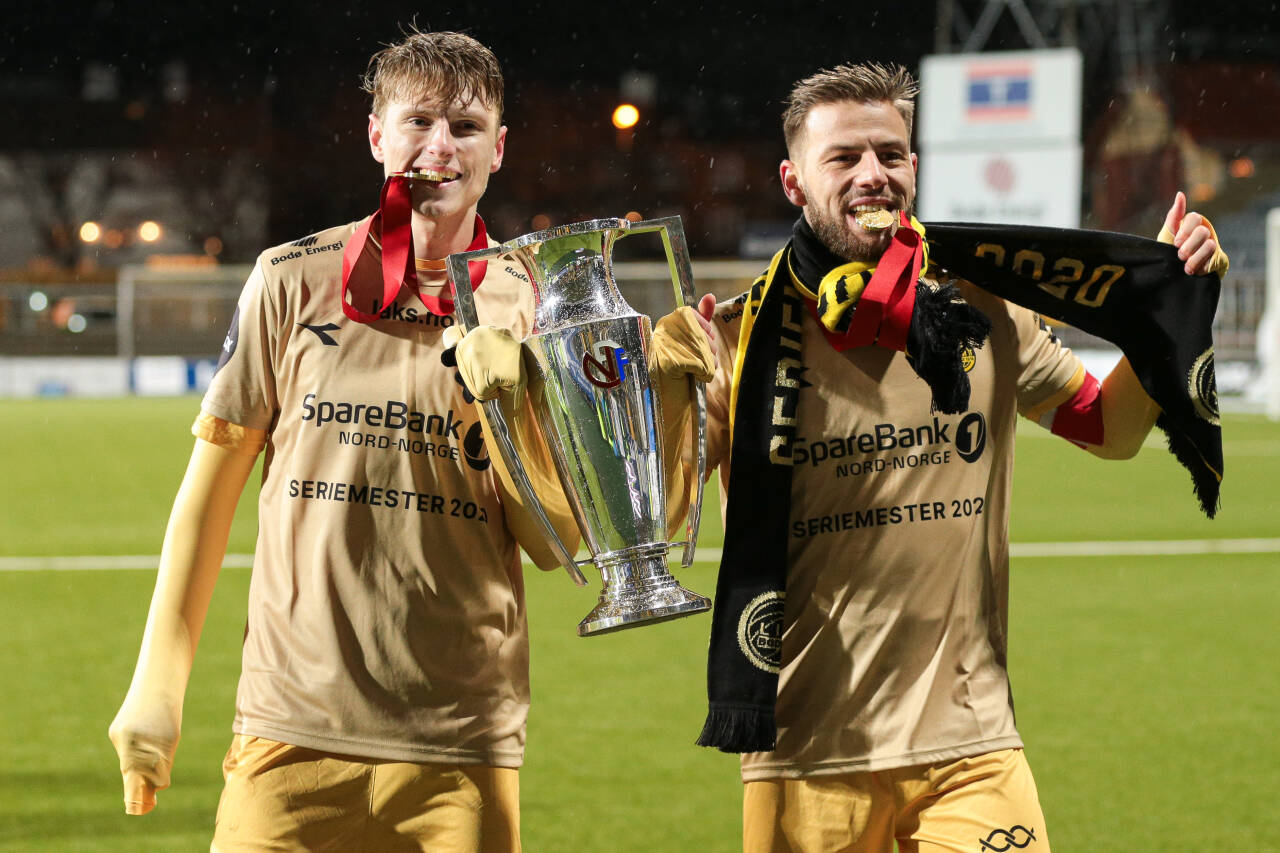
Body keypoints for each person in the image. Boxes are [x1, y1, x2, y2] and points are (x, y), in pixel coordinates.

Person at [106, 29, 709, 852]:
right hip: (289, 732)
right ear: (375, 135)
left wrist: (517, 415)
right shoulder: (291, 277)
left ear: (497, 149)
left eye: (464, 128)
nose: (439, 147)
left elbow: (553, 541)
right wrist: (156, 687)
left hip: (461, 745)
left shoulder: (533, 301)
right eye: (418, 121)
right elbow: (203, 503)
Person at [677, 62, 1228, 852]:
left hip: (972, 745)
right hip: (808, 753)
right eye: (844, 158)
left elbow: (1105, 428)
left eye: (891, 154)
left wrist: (1163, 321)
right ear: (793, 182)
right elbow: (650, 508)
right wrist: (658, 387)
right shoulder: (739, 338)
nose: (874, 175)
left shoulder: (984, 303)